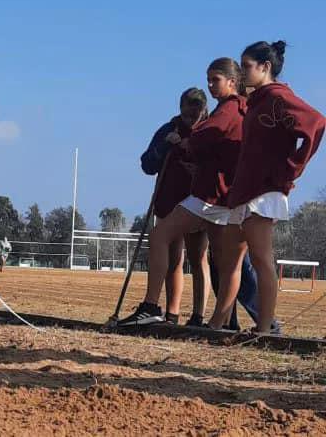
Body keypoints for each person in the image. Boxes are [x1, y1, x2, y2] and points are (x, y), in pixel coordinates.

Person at [119, 59, 263, 328]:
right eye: (208, 80)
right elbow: (148, 162)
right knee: (221, 260)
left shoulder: (229, 110)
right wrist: (168, 147)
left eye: (214, 80)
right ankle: (218, 323)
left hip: (210, 197)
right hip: (198, 198)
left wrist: (186, 144)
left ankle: (162, 309)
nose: (210, 85)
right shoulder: (232, 111)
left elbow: (210, 136)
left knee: (211, 259)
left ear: (232, 82)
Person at [208, 41, 325, 334]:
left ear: (265, 67)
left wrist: (290, 170)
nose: (243, 71)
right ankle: (217, 323)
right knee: (228, 261)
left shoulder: (279, 97)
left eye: (247, 66)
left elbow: (316, 123)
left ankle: (264, 328)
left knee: (261, 258)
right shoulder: (256, 101)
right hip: (243, 190)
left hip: (265, 190)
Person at [127, 87, 209, 325]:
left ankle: (198, 316)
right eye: (186, 113)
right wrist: (165, 147)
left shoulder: (208, 131)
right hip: (169, 202)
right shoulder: (168, 129)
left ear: (204, 112)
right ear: (180, 108)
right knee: (174, 259)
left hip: (198, 202)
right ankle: (171, 315)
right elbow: (147, 164)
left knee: (198, 256)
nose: (191, 119)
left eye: (196, 114)